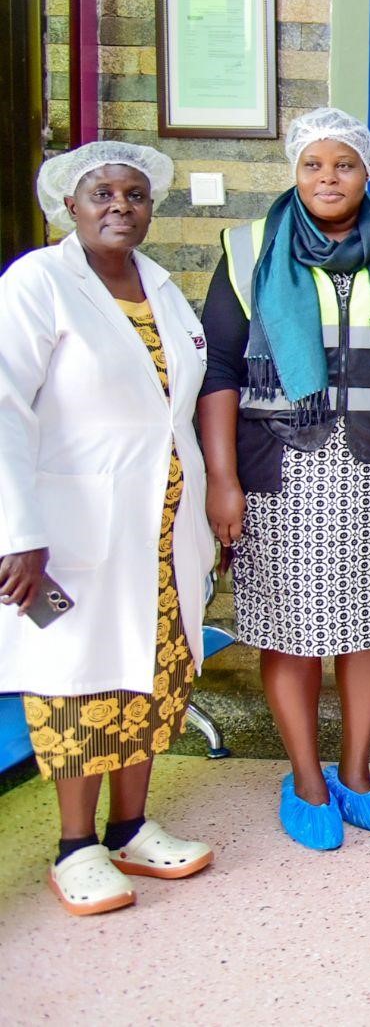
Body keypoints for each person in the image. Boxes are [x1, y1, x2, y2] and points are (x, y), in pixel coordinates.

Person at [198, 109, 370, 851]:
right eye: (313, 164)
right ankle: (305, 778)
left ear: (368, 172)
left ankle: (356, 772)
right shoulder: (248, 249)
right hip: (280, 471)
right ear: (295, 171)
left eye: (344, 164)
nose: (328, 178)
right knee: (289, 630)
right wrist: (222, 479)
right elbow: (219, 370)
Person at [0, 144, 215, 915]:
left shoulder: (163, 288)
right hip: (66, 534)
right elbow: (4, 407)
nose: (120, 206)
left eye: (134, 194)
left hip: (161, 533)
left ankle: (129, 827)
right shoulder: (38, 282)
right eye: (102, 193)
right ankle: (74, 846)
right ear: (71, 204)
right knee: (76, 684)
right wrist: (17, 532)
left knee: (153, 675)